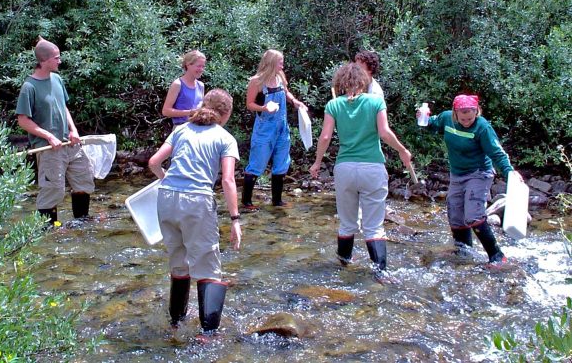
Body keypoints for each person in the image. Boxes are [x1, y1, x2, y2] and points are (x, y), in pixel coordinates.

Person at [148, 89, 241, 338]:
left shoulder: (181, 130)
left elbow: (153, 163)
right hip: (197, 200)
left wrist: (169, 182)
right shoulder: (225, 138)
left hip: (166, 197)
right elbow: (228, 181)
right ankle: (208, 334)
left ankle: (175, 323)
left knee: (179, 263)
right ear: (227, 113)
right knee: (209, 268)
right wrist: (235, 219)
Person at [309, 63, 412, 279]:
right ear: (363, 81)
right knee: (374, 227)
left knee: (347, 224)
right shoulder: (376, 101)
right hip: (372, 166)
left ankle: (343, 268)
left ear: (341, 83)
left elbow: (326, 137)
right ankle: (381, 273)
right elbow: (384, 133)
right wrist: (402, 150)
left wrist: (317, 162)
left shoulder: (333, 105)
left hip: (345, 168)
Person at [416, 94, 521, 264]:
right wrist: (424, 118)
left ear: (476, 112)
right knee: (455, 215)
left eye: (470, 118)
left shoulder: (482, 127)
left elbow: (496, 152)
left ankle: (497, 256)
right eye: (463, 118)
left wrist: (509, 172)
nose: (467, 121)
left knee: (473, 215)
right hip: (457, 174)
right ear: (455, 114)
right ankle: (464, 253)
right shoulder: (446, 118)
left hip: (479, 173)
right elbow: (432, 125)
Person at [15, 37, 94, 225]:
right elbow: (23, 120)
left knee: (84, 181)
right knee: (53, 191)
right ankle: (49, 233)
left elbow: (63, 107)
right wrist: (49, 136)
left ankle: (81, 226)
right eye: (56, 58)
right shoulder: (29, 87)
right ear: (44, 60)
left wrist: (73, 130)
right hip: (48, 148)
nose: (60, 61)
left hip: (70, 144)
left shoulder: (57, 79)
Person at [242, 49, 308, 210]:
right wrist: (264, 108)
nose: (282, 65)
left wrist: (295, 102)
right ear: (271, 62)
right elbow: (249, 104)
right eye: (280, 62)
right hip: (264, 128)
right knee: (257, 163)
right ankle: (246, 202)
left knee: (282, 162)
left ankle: (277, 201)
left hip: (282, 127)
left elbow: (286, 93)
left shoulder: (280, 77)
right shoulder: (256, 81)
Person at [161, 50, 206, 128]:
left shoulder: (201, 85)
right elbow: (165, 111)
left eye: (203, 66)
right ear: (188, 65)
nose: (201, 69)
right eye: (199, 66)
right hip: (180, 128)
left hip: (197, 128)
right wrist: (190, 112)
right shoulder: (177, 84)